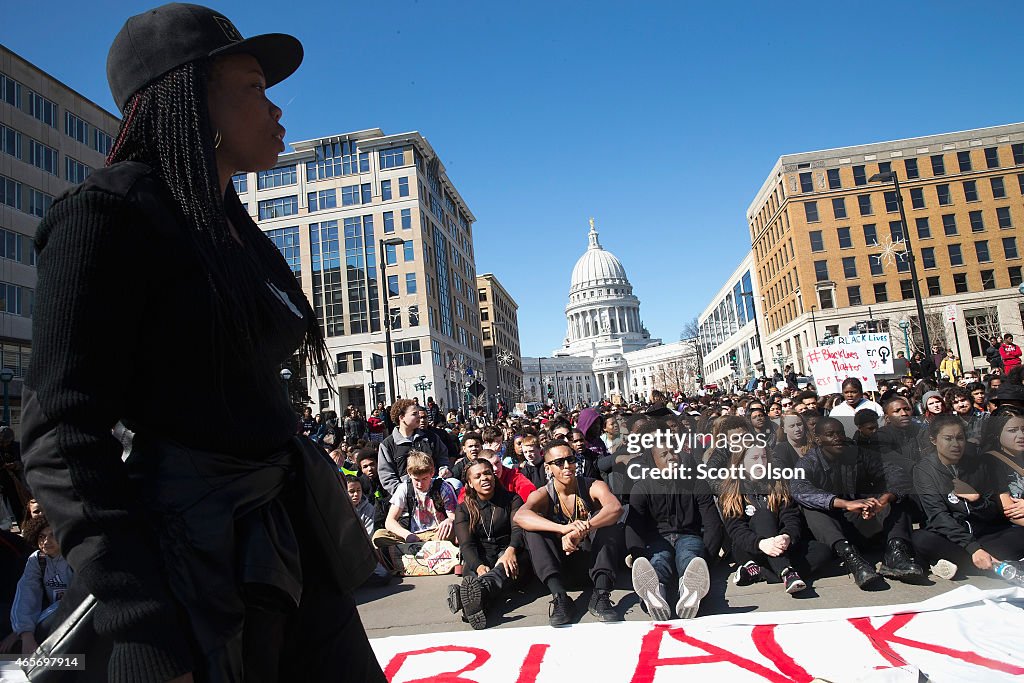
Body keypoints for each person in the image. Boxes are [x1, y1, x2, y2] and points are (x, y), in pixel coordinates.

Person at [20, 5, 383, 681]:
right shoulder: (104, 218)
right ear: (188, 96)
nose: (277, 109)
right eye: (253, 87)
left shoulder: (231, 231)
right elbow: (60, 434)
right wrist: (139, 620)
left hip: (283, 535)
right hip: (190, 563)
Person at [791, 417, 925, 589]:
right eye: (830, 435)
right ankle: (851, 559)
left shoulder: (858, 453)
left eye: (840, 433)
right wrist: (845, 504)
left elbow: (894, 472)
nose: (837, 438)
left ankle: (896, 553)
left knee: (898, 496)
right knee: (810, 508)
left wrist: (883, 500)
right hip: (836, 530)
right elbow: (799, 489)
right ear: (818, 440)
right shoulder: (809, 462)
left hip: (865, 518)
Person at [514, 441, 624, 626]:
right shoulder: (544, 494)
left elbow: (615, 508)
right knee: (533, 530)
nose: (567, 466)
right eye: (559, 462)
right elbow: (520, 516)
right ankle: (560, 598)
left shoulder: (592, 485)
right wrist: (563, 529)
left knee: (606, 519)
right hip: (560, 568)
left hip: (594, 565)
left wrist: (584, 528)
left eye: (570, 460)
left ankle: (601, 594)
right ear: (548, 468)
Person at [912, 415, 1024, 579]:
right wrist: (973, 548)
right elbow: (938, 516)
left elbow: (994, 511)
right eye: (948, 439)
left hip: (985, 535)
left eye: (960, 438)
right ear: (934, 440)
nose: (955, 444)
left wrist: (976, 499)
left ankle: (963, 565)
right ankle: (993, 564)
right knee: (920, 538)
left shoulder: (979, 465)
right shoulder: (924, 470)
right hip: (954, 539)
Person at [628, 436, 721, 620]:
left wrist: (707, 558)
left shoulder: (697, 483)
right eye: (664, 454)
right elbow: (634, 528)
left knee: (689, 556)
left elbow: (713, 524)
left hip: (689, 536)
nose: (672, 457)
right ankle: (655, 594)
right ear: (654, 462)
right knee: (658, 561)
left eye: (674, 452)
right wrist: (638, 556)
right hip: (657, 540)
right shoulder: (641, 488)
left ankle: (689, 592)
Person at [717, 446, 830, 594]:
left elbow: (791, 517)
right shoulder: (731, 491)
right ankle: (787, 572)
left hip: (780, 544)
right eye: (754, 458)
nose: (761, 462)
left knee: (822, 551)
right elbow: (736, 530)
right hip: (750, 547)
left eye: (763, 457)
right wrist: (761, 543)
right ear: (741, 462)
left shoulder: (778, 484)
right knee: (764, 515)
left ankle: (759, 572)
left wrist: (787, 535)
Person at [447, 459, 526, 630]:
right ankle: (477, 601)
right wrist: (479, 566)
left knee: (504, 567)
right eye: (478, 476)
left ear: (494, 475)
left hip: (507, 552)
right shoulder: (464, 508)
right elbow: (466, 544)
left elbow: (518, 530)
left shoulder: (512, 499)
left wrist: (511, 550)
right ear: (470, 483)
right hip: (480, 556)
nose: (484, 478)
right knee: (474, 573)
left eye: (487, 473)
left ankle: (468, 599)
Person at [372, 451, 457, 562]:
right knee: (379, 536)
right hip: (412, 536)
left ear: (432, 473)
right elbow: (390, 521)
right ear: (409, 474)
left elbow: (454, 516)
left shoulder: (443, 487)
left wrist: (449, 520)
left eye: (425, 479)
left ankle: (412, 554)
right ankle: (427, 553)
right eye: (416, 480)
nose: (420, 484)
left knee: (458, 531)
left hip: (437, 534)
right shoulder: (404, 488)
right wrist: (407, 535)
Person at [6, 516, 73, 656]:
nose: (46, 542)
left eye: (52, 535)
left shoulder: (74, 555)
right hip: (52, 614)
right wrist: (24, 633)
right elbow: (26, 594)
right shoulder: (37, 559)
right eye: (41, 537)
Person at [378, 399, 451, 495]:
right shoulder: (387, 445)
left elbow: (442, 456)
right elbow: (386, 476)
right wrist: (405, 493)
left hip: (434, 491)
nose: (419, 417)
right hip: (407, 498)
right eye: (414, 414)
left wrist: (443, 468)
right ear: (402, 417)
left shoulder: (430, 437)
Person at [346, 476, 390, 587]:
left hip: (362, 553)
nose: (356, 494)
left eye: (358, 490)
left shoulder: (368, 508)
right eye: (351, 491)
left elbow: (368, 536)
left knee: (384, 576)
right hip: (344, 555)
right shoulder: (337, 509)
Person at [983, 409, 1024, 527]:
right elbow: (1009, 511)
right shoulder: (990, 462)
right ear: (997, 433)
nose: (1021, 435)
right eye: (1012, 431)